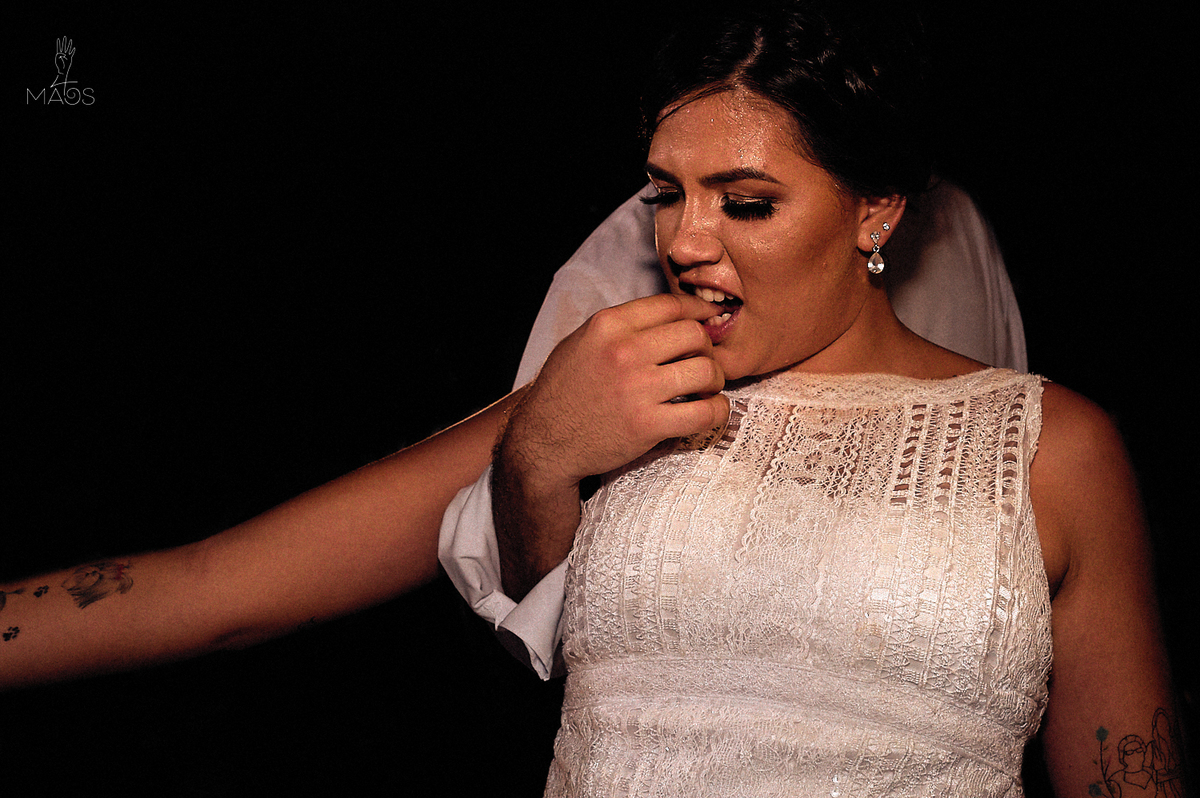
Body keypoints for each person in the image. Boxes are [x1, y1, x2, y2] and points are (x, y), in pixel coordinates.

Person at [447, 2, 1181, 796]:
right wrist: (535, 459)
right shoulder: (618, 383)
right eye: (666, 194)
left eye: (746, 202)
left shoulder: (1048, 447)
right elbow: (553, 650)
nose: (685, 242)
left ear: (876, 209)